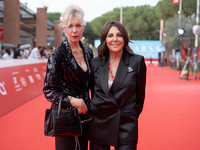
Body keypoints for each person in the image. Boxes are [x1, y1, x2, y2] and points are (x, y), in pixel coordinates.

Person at [87, 21, 147, 150]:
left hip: (126, 124)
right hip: (99, 122)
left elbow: (140, 96)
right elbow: (94, 92)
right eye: (110, 36)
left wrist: (129, 114)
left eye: (119, 35)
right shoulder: (95, 63)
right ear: (104, 39)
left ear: (125, 39)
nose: (115, 39)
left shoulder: (137, 61)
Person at [43, 4, 93, 150]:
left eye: (78, 25)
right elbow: (49, 90)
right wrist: (74, 101)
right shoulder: (57, 55)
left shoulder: (88, 52)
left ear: (83, 26)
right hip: (66, 118)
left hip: (86, 117)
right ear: (64, 28)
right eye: (70, 26)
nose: (74, 30)